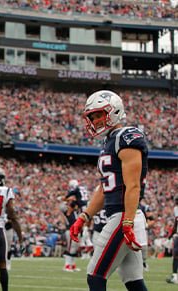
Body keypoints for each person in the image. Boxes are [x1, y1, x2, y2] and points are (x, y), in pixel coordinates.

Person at [70, 90, 149, 291]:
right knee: (133, 281)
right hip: (119, 215)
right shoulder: (109, 141)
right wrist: (85, 216)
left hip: (124, 216)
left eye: (99, 115)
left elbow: (133, 185)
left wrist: (128, 222)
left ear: (114, 111)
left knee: (95, 276)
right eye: (92, 117)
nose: (95, 120)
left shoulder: (127, 137)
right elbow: (105, 187)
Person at [61, 179, 87, 272]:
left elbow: (75, 204)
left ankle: (72, 264)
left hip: (76, 230)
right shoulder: (67, 210)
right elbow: (70, 206)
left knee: (75, 248)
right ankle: (67, 265)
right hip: (70, 230)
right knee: (71, 247)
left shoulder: (75, 210)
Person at [165, 194, 178, 284]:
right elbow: (176, 223)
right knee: (176, 254)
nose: (176, 202)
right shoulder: (176, 209)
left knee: (176, 254)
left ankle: (175, 276)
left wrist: (171, 235)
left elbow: (175, 224)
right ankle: (174, 276)